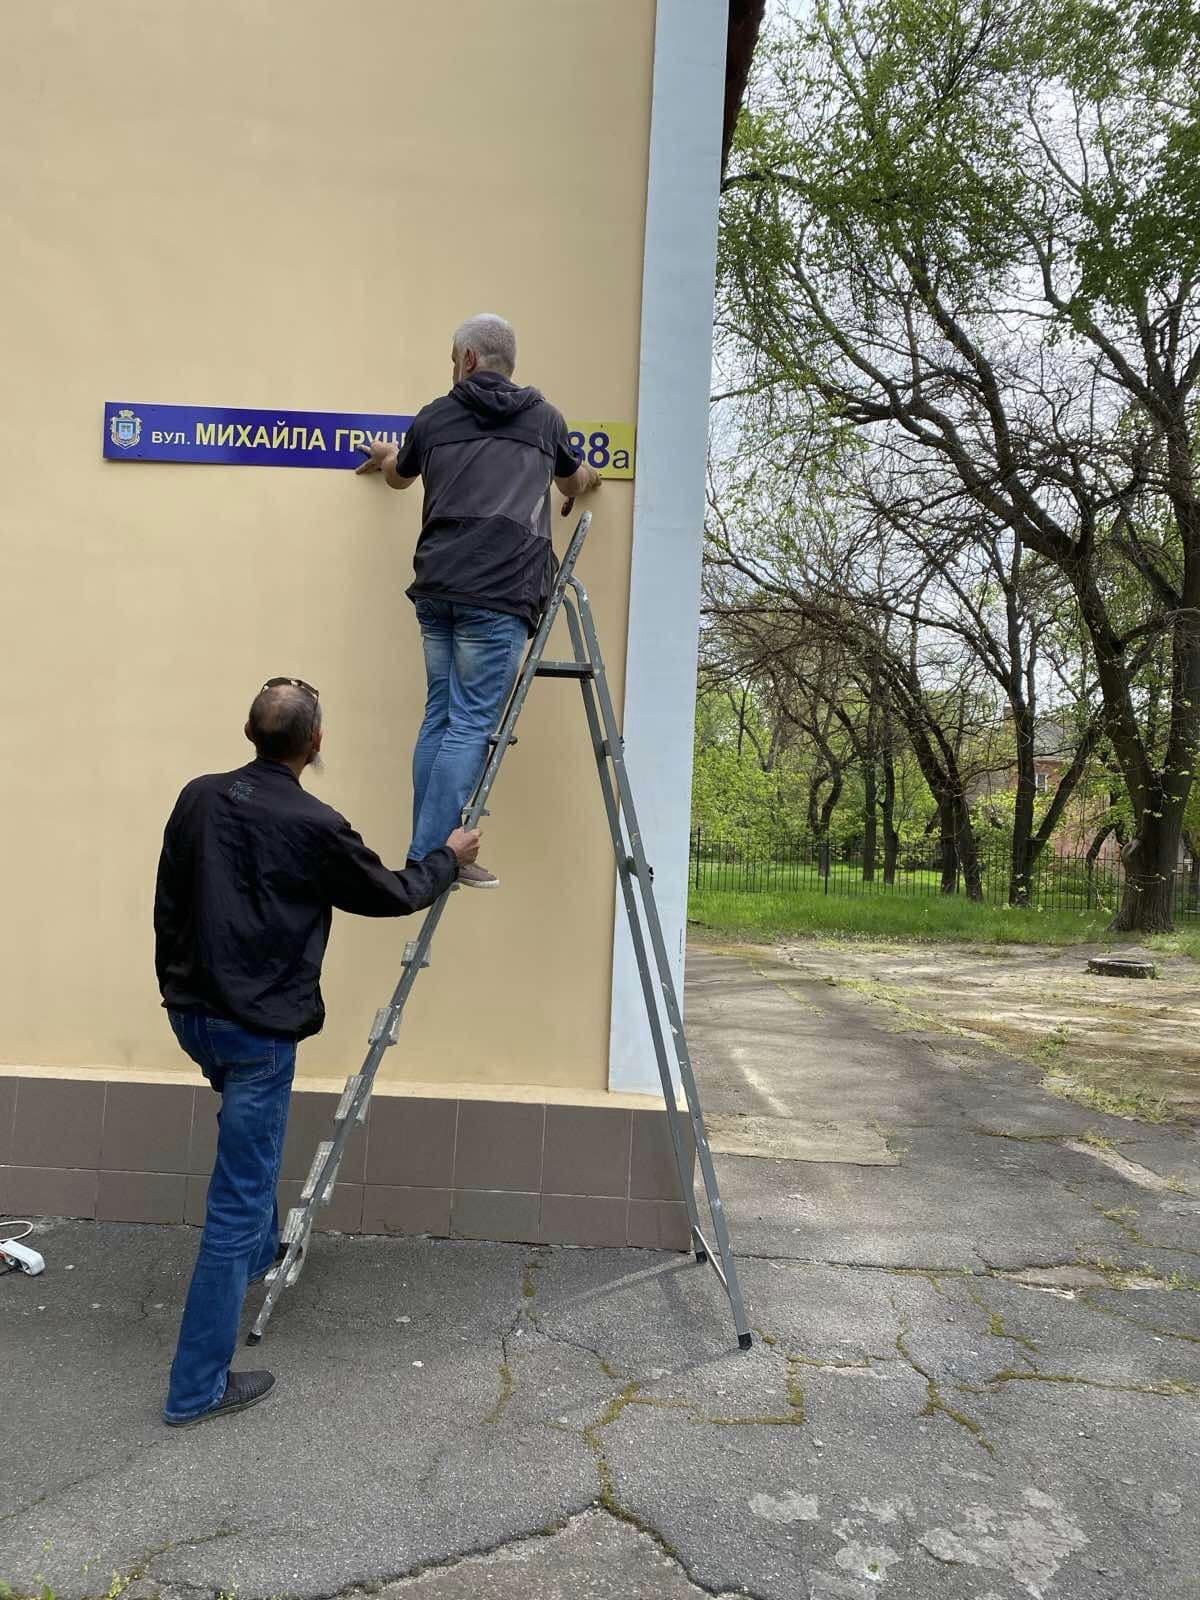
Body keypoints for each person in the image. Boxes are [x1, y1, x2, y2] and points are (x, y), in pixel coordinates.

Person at [153, 677, 480, 1427]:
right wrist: (449, 856)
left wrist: (174, 988)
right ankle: (195, 1389)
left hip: (194, 1018)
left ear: (248, 731)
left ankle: (264, 1249)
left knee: (249, 1152)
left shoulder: (198, 796)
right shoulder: (314, 822)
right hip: (255, 1033)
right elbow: (393, 893)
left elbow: (165, 902)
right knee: (236, 1201)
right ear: (316, 744)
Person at [356, 312, 601, 888]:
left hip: (438, 589)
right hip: (499, 594)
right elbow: (572, 480)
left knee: (441, 717)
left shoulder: (435, 418)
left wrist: (388, 453)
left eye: (451, 357)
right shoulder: (545, 421)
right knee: (467, 725)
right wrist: (590, 483)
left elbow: (398, 477)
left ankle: (428, 850)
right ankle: (430, 859)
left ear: (467, 360)